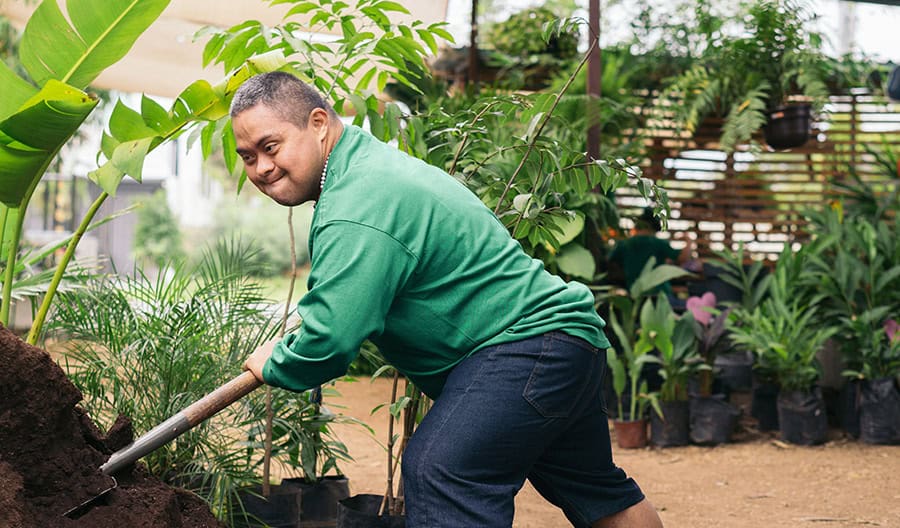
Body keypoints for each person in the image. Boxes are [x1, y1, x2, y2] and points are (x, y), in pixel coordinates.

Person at [236, 71, 663, 528]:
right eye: (247, 157)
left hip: (526, 346)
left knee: (441, 470)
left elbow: (331, 339)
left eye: (271, 146)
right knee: (597, 492)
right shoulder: (364, 168)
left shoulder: (356, 200)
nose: (261, 167)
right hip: (563, 343)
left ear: (318, 123)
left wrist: (276, 363)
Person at [608, 207, 696, 308]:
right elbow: (683, 259)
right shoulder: (659, 243)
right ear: (653, 227)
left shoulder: (624, 245)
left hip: (635, 297)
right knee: (691, 307)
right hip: (660, 295)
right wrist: (689, 241)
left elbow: (610, 262)